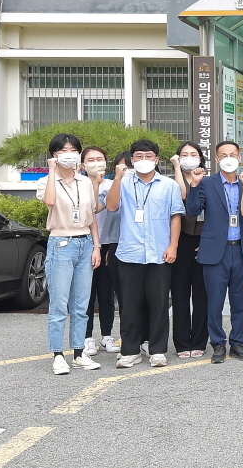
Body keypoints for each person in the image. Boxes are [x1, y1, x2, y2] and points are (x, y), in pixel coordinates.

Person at [106, 139, 184, 369]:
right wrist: (117, 178)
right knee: (129, 305)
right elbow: (111, 206)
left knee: (159, 304)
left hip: (159, 253)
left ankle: (157, 350)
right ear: (131, 159)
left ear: (156, 159)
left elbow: (175, 216)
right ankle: (130, 350)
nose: (143, 160)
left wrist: (173, 246)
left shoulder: (168, 185)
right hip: (130, 252)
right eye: (138, 156)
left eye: (148, 156)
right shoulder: (123, 182)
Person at [186, 140, 243, 363]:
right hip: (216, 250)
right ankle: (217, 343)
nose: (229, 158)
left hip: (241, 250)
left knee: (239, 301)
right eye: (223, 155)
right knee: (214, 302)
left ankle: (237, 342)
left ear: (239, 157)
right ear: (217, 159)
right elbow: (192, 210)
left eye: (233, 154)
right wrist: (194, 184)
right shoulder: (207, 183)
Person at [38, 133, 101, 375]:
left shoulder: (84, 182)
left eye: (73, 150)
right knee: (59, 304)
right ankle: (57, 355)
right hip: (61, 243)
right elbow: (50, 201)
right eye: (63, 150)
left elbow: (92, 215)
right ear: (54, 154)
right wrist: (52, 171)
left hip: (85, 242)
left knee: (81, 304)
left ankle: (78, 353)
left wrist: (97, 246)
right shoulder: (47, 181)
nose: (69, 154)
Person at [168, 142, 209, 359]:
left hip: (204, 240)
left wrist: (209, 241)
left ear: (201, 158)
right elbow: (181, 195)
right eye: (184, 154)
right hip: (180, 241)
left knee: (202, 295)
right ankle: (182, 342)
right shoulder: (169, 182)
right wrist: (177, 168)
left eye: (193, 154)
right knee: (180, 294)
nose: (189, 158)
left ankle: (200, 341)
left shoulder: (208, 181)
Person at [81, 146, 120, 357]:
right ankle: (86, 337)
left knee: (106, 293)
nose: (96, 163)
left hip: (107, 244)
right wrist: (94, 184)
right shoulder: (78, 184)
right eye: (91, 160)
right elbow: (91, 209)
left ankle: (106, 336)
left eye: (100, 159)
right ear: (82, 164)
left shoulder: (113, 184)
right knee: (86, 294)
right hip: (85, 243)